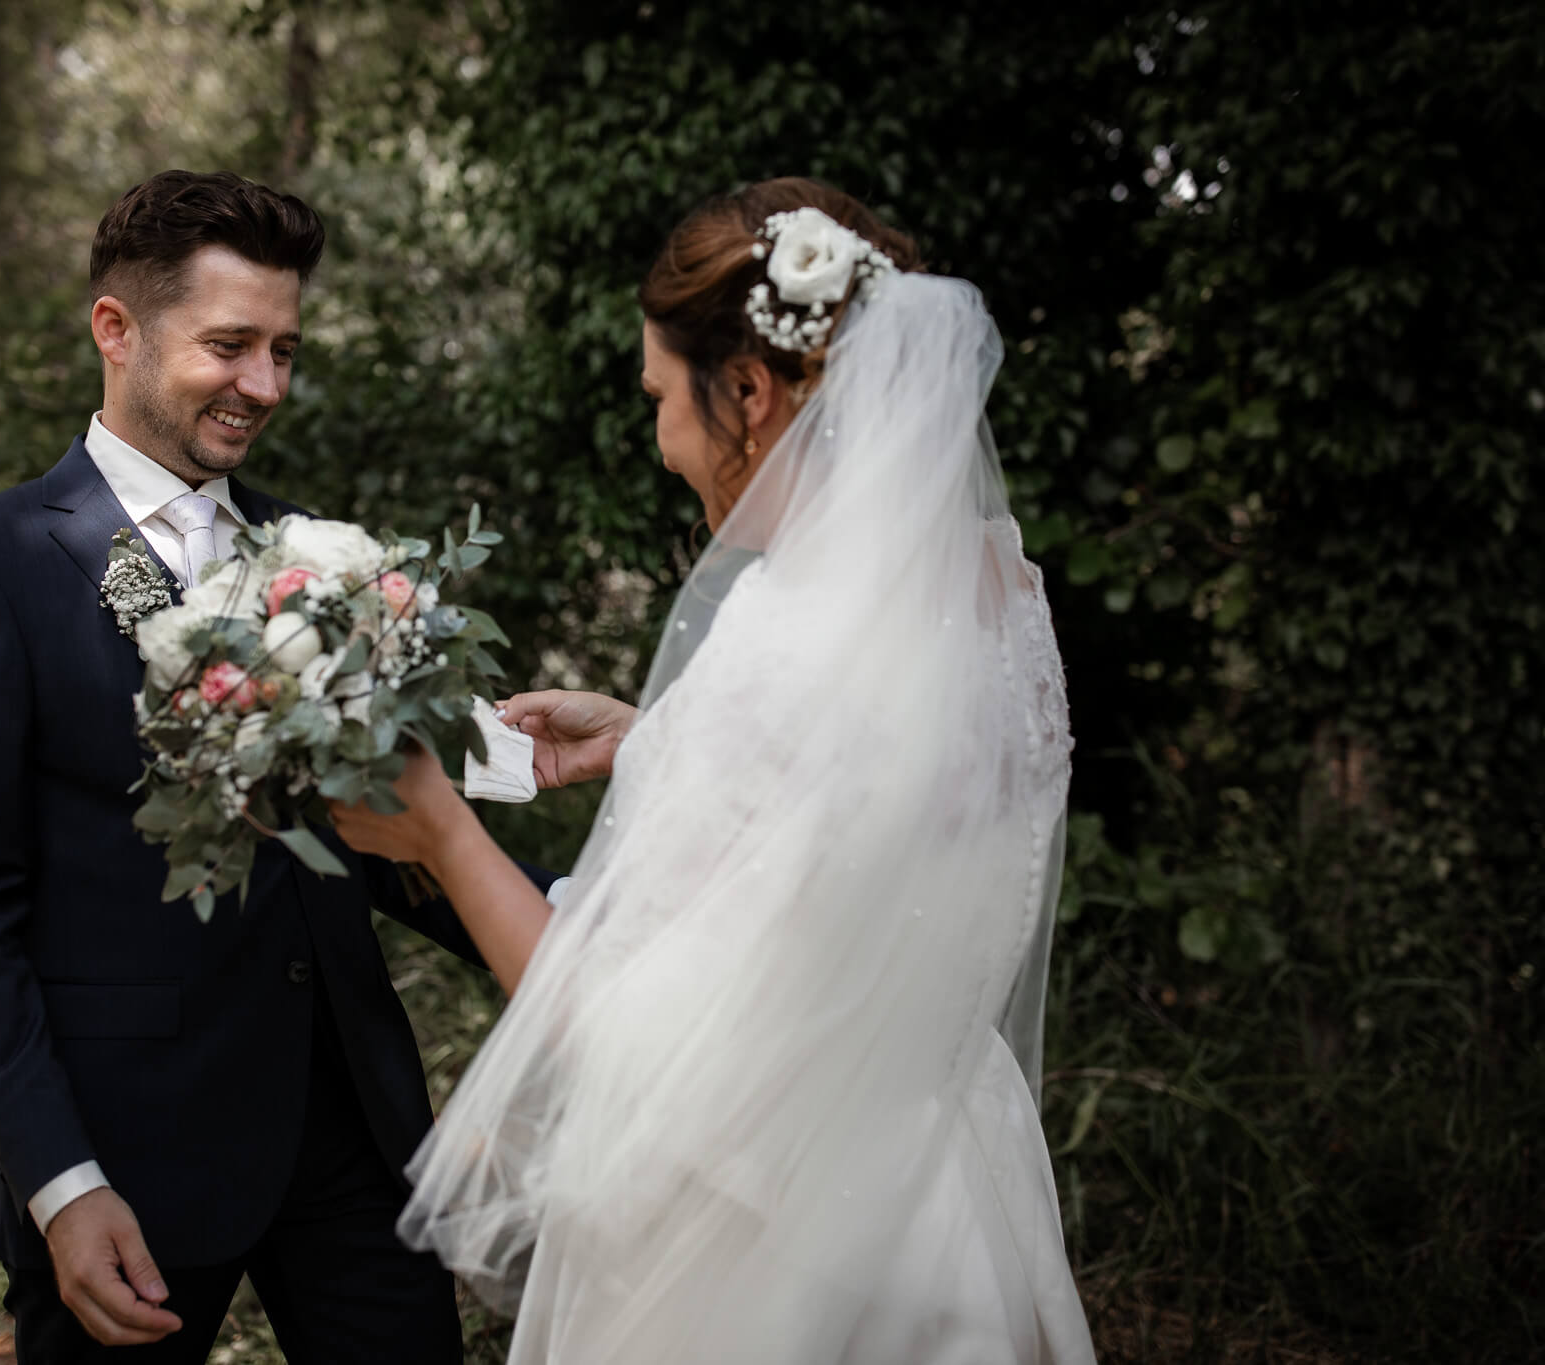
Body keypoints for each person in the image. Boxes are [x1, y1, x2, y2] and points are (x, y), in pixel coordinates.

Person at [329, 177, 1098, 1363]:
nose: (658, 436)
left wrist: (442, 832)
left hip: (759, 1238)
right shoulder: (996, 591)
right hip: (942, 1205)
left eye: (658, 396)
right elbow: (872, 814)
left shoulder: (784, 636)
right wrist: (658, 740)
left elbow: (621, 1037)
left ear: (744, 389)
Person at [0, 169, 550, 1363]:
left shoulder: (323, 559)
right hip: (123, 1151)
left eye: (284, 350)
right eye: (230, 345)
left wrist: (584, 932)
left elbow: (380, 833)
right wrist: (60, 1182)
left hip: (350, 1128)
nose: (264, 386)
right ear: (115, 329)